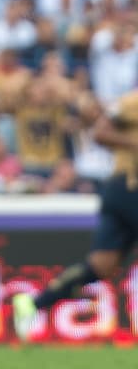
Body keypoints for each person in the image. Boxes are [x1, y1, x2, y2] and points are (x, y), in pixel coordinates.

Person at [13, 89, 138, 339]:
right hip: (128, 186)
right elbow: (100, 132)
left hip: (121, 191)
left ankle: (32, 304)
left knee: (101, 265)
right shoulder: (131, 102)